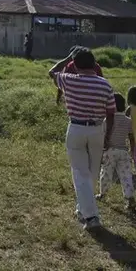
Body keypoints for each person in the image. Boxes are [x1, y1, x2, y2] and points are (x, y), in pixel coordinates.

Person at [49, 47, 116, 231]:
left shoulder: (69, 80)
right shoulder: (105, 84)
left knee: (79, 172)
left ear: (75, 65)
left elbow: (51, 72)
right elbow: (111, 114)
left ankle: (91, 216)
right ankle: (82, 209)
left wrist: (66, 58)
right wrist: (108, 136)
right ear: (94, 64)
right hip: (97, 130)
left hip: (76, 129)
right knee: (92, 172)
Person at [96, 93, 136, 211]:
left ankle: (102, 194)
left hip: (110, 151)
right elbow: (131, 137)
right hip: (123, 151)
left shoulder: (108, 119)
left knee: (106, 173)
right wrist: (132, 150)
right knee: (126, 176)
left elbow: (103, 136)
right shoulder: (128, 120)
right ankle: (129, 199)